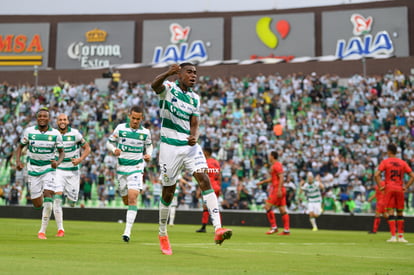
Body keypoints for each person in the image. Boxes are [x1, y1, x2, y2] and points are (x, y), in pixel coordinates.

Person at [151, 63, 232, 255]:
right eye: (189, 72)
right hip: (169, 146)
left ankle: (218, 228)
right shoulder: (169, 89)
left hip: (189, 147)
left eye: (195, 73)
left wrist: (194, 135)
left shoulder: (195, 99)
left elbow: (194, 122)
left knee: (204, 178)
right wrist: (167, 73)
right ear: (179, 74)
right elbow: (154, 86)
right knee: (168, 192)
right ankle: (162, 233)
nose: (193, 76)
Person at [15, 107, 65, 239]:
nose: (42, 118)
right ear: (37, 118)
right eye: (40, 116)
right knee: (37, 204)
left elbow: (61, 152)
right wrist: (18, 162)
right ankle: (45, 204)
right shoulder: (29, 132)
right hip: (33, 170)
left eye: (45, 116)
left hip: (49, 169)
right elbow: (20, 147)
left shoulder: (55, 134)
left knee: (48, 195)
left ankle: (42, 231)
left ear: (49, 119)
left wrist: (57, 163)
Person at [106, 105, 153, 243]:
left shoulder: (145, 132)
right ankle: (127, 218)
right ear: (129, 116)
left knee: (133, 197)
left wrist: (148, 154)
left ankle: (127, 232)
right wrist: (114, 149)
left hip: (136, 167)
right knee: (126, 200)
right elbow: (109, 143)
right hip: (121, 169)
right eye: (133, 118)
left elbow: (149, 145)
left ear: (141, 118)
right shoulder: (120, 129)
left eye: (138, 119)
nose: (135, 121)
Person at [54, 113, 91, 237]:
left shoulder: (75, 134)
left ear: (68, 121)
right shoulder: (53, 134)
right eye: (60, 120)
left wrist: (80, 159)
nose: (62, 121)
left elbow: (87, 148)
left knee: (72, 202)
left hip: (73, 171)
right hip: (58, 170)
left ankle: (70, 197)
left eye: (64, 119)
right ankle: (60, 229)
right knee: (57, 198)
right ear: (57, 121)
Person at [374, 144, 414, 243]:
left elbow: (376, 175)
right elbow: (413, 176)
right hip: (400, 188)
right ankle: (401, 237)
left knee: (390, 212)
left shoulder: (385, 162)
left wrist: (380, 187)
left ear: (389, 152)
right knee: (400, 212)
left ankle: (393, 236)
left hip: (389, 188)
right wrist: (406, 187)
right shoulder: (403, 162)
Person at [256, 151, 290, 235]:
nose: (268, 157)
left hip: (277, 189)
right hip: (279, 188)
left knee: (267, 206)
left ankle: (274, 227)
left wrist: (278, 189)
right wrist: (263, 182)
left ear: (272, 156)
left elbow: (281, 177)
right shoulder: (275, 166)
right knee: (282, 209)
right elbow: (274, 178)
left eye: (269, 156)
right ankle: (286, 230)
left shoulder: (277, 165)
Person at [196, 147, 221, 233]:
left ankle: (204, 227)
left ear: (206, 153)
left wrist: (199, 190)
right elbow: (219, 175)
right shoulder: (216, 162)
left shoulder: (205, 162)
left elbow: (204, 177)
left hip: (209, 186)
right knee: (215, 206)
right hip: (217, 186)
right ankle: (218, 227)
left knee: (206, 207)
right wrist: (219, 187)